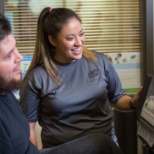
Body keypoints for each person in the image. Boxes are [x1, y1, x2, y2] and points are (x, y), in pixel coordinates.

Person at [19, 7, 142, 152]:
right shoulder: (37, 77)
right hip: (64, 149)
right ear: (52, 40)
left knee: (102, 142)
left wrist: (134, 102)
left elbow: (117, 97)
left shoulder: (100, 62)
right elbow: (28, 127)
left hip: (105, 148)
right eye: (70, 38)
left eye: (81, 34)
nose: (79, 42)